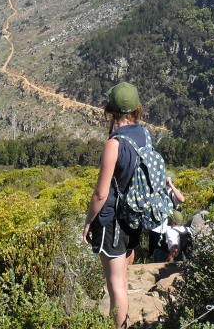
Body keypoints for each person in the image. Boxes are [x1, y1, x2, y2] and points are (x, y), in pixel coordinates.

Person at [83, 81, 146, 328]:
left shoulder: (114, 144)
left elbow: (101, 193)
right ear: (136, 108)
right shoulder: (144, 135)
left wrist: (89, 221)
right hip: (133, 217)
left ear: (111, 111)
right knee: (123, 276)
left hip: (112, 221)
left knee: (116, 287)